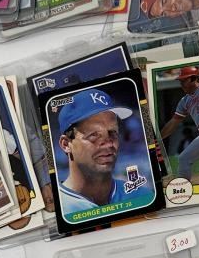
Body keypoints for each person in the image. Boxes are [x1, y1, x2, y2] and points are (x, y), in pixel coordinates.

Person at [55, 89, 139, 217]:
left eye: (112, 133)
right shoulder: (58, 211)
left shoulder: (141, 196)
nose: (109, 144)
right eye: (94, 135)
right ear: (66, 144)